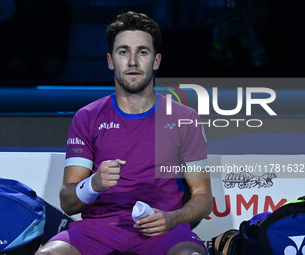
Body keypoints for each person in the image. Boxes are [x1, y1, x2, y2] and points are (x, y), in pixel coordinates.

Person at [36, 11, 212, 255]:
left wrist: (172, 218)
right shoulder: (88, 117)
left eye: (142, 52)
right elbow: (68, 201)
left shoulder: (185, 118)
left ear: (156, 61)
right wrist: (94, 184)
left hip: (163, 230)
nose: (132, 61)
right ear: (110, 61)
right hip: (97, 230)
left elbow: (203, 197)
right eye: (123, 52)